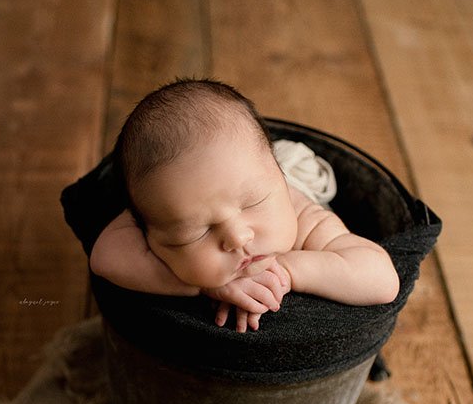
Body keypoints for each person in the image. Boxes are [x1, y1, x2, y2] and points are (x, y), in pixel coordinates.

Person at [89, 79, 399, 333]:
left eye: (253, 203)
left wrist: (288, 271)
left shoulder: (300, 214)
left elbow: (383, 279)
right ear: (151, 233)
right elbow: (104, 257)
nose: (238, 237)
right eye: (197, 232)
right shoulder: (165, 204)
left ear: (278, 177)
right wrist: (204, 287)